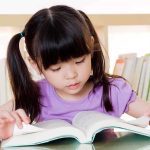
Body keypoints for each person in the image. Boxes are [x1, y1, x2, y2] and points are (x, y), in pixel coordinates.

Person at [0, 5, 150, 140]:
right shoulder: (33, 94)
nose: (71, 75)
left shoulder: (114, 90)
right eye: (56, 68)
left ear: (91, 46)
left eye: (79, 61)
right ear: (35, 65)